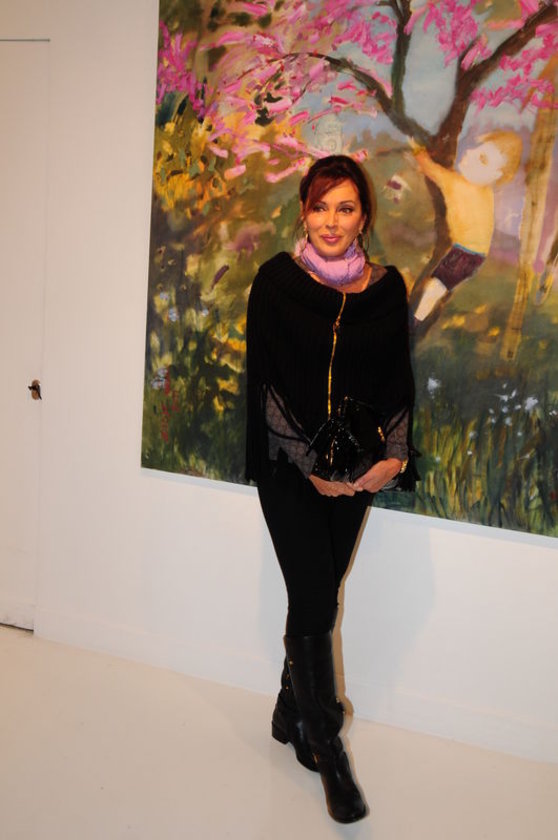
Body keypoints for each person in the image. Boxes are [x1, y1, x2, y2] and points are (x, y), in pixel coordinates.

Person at [245, 155, 417, 823]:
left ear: (364, 217)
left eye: (345, 208)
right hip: (290, 470)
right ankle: (329, 751)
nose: (331, 221)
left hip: (358, 472)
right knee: (316, 596)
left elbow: (397, 380)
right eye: (320, 206)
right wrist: (309, 462)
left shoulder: (388, 289)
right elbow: (265, 386)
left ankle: (289, 710)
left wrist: (392, 457)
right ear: (303, 212)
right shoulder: (276, 283)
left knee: (318, 592)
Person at [410, 131, 522, 332]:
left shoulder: (457, 183)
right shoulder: (482, 189)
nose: (470, 154)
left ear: (495, 176)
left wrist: (417, 150)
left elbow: (431, 169)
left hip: (465, 253)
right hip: (473, 254)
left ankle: (415, 321)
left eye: (483, 159)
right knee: (438, 285)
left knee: (435, 286)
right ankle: (418, 317)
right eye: (476, 149)